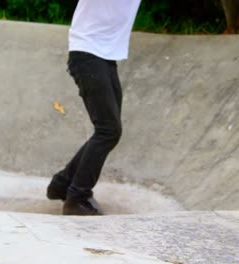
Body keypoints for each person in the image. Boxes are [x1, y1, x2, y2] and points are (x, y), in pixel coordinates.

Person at [46, 0, 142, 215]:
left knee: (109, 130)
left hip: (104, 56)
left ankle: (62, 184)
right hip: (88, 53)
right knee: (108, 130)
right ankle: (77, 198)